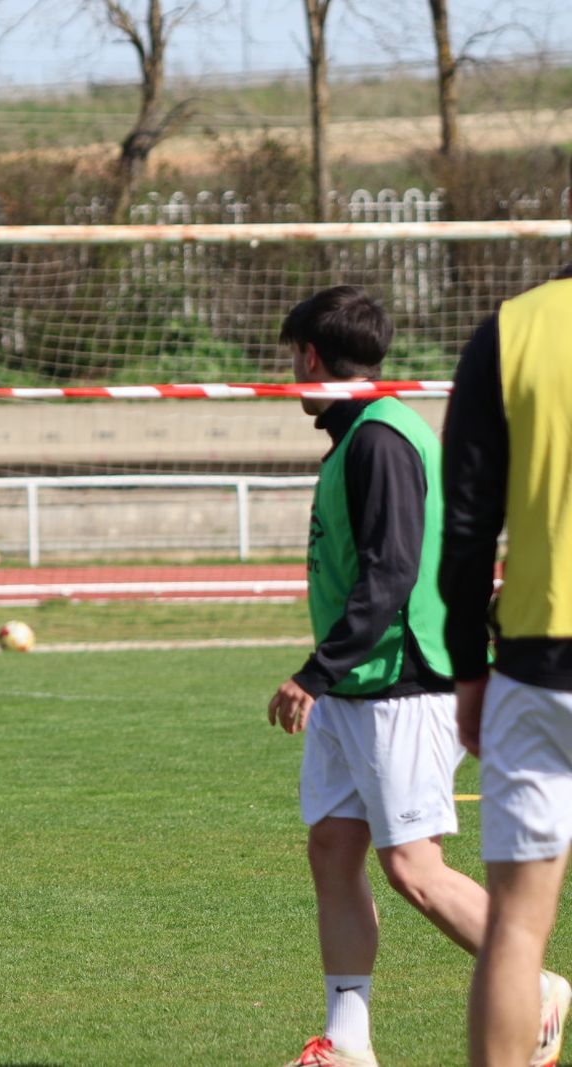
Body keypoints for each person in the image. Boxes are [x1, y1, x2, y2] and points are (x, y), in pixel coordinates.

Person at [265, 286, 566, 1067]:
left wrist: (313, 672)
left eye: (291, 357)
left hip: (401, 682)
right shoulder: (360, 434)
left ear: (310, 357)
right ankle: (348, 1041)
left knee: (414, 867)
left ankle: (540, 986)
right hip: (357, 685)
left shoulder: (382, 441)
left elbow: (391, 573)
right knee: (333, 845)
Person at [441, 265, 572, 1066]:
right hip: (532, 662)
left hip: (536, 663)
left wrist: (465, 668)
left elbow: (464, 524)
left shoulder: (512, 330)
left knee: (518, 927)